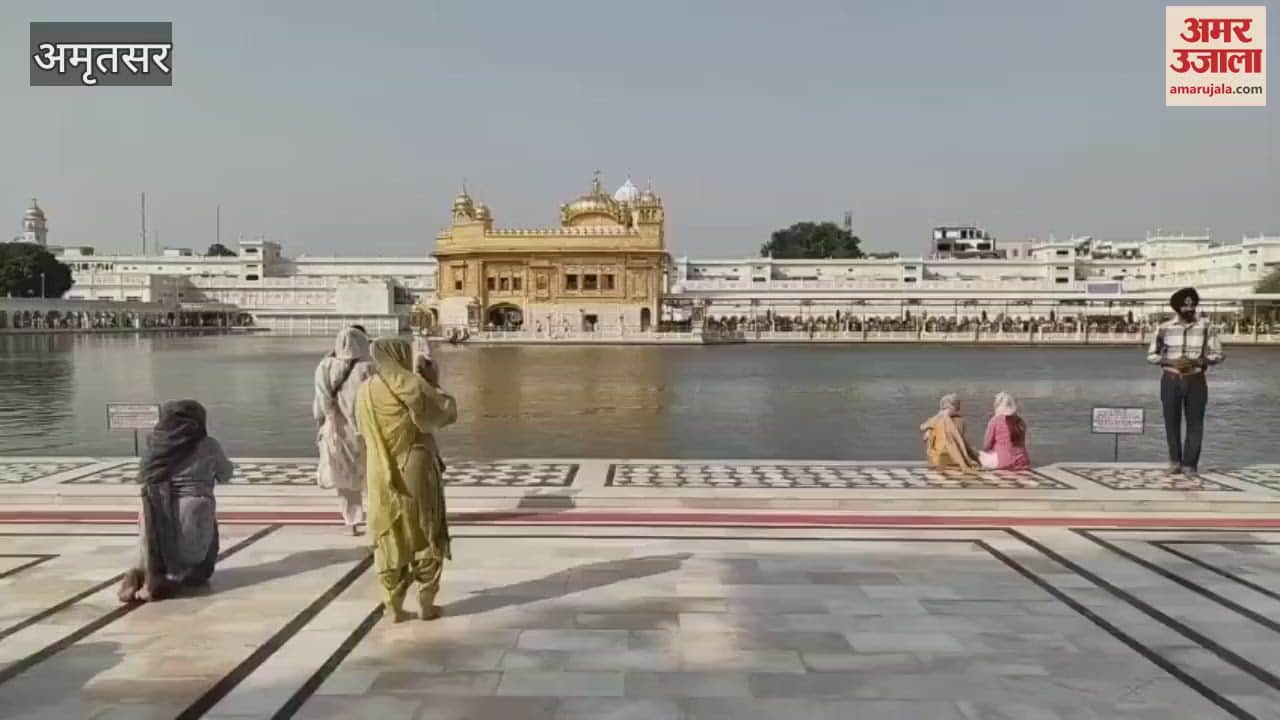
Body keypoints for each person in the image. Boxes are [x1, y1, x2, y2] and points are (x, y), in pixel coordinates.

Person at [356, 337, 458, 623]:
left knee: (390, 533)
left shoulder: (364, 390)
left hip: (380, 470)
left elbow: (360, 428)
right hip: (416, 465)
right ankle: (426, 601)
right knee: (425, 528)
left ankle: (394, 606)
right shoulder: (411, 385)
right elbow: (446, 413)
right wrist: (432, 382)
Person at [118, 400, 234, 603]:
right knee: (192, 567)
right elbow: (226, 474)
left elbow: (143, 475)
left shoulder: (155, 444)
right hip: (195, 506)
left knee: (149, 546)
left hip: (153, 505)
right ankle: (158, 584)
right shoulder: (208, 445)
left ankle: (138, 576)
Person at [1147, 287, 1224, 478]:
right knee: (1171, 421)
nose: (1189, 309)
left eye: (1192, 305)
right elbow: (1151, 355)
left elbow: (1219, 354)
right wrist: (1171, 361)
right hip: (1171, 378)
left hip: (1195, 378)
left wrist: (1200, 361)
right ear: (1176, 307)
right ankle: (1175, 461)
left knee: (1195, 423)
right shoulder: (1164, 328)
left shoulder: (1206, 327)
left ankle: (1190, 464)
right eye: (1185, 305)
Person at [313, 327, 376, 534]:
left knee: (344, 476)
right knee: (371, 474)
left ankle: (352, 521)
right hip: (365, 429)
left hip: (336, 430)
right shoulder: (370, 367)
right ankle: (378, 516)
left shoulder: (325, 366)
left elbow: (320, 403)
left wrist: (322, 424)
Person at [921, 394, 979, 471]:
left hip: (939, 457)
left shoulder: (935, 419)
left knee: (930, 433)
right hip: (955, 456)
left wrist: (929, 431)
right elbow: (961, 437)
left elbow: (922, 427)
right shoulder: (961, 420)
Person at [980, 392, 1032, 471]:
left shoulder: (995, 420)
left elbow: (986, 446)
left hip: (1004, 462)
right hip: (1023, 461)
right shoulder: (1021, 421)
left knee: (977, 454)